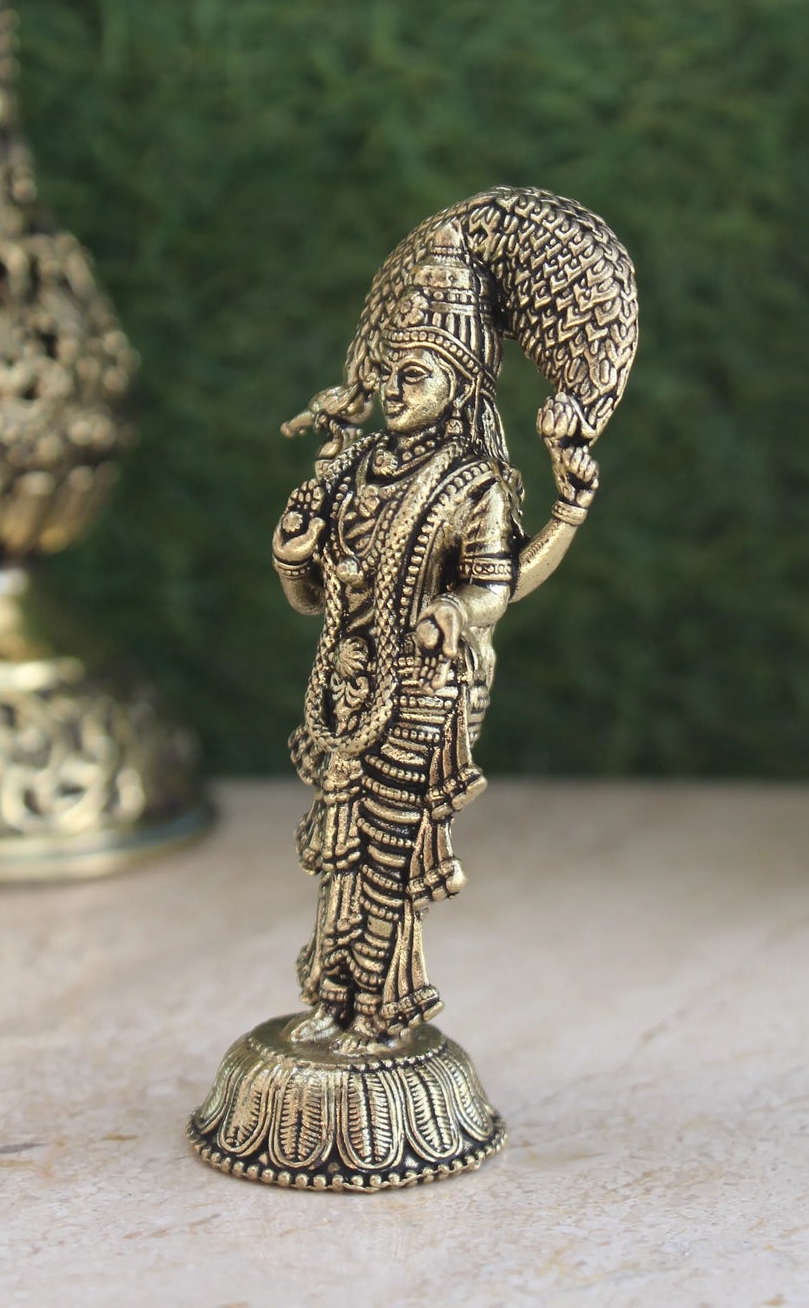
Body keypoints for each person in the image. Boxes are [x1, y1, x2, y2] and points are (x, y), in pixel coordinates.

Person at [272, 220, 597, 1049]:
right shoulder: (354, 468)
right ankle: (332, 997)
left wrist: (455, 611)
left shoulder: (474, 484)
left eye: (414, 373)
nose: (394, 388)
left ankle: (382, 1011)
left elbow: (493, 584)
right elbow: (313, 599)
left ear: (459, 384)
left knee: (388, 853)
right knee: (339, 848)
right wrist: (293, 552)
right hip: (349, 684)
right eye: (390, 371)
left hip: (423, 687)